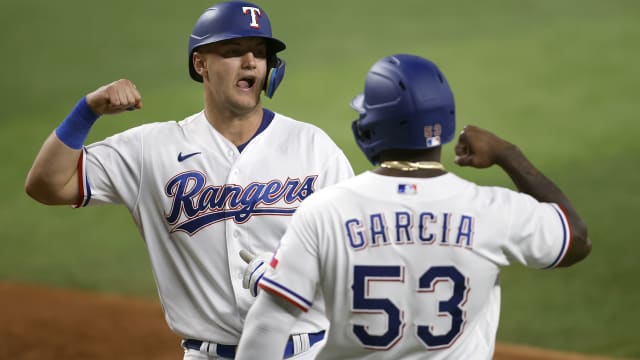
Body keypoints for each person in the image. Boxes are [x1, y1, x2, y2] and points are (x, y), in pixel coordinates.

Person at [24, 1, 353, 359]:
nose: (249, 62)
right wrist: (87, 111)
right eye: (232, 51)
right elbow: (46, 185)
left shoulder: (313, 146)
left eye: (259, 53)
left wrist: (291, 276)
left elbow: (353, 252)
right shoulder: (151, 149)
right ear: (201, 64)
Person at [235, 54, 592, 360]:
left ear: (370, 129)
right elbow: (575, 238)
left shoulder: (325, 211)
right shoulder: (493, 209)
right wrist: (507, 154)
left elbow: (268, 325)